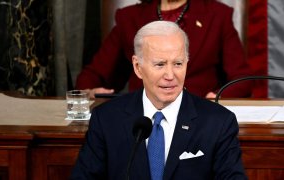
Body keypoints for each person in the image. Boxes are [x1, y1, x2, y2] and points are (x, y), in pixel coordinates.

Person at [71, 21, 246, 179]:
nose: (170, 76)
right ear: (138, 67)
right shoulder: (106, 119)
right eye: (160, 64)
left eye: (178, 64)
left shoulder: (218, 122)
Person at [75, 0, 253, 99]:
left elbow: (242, 80)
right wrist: (89, 92)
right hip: (146, 121)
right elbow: (91, 77)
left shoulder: (217, 15)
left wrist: (216, 97)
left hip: (199, 119)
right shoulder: (129, 18)